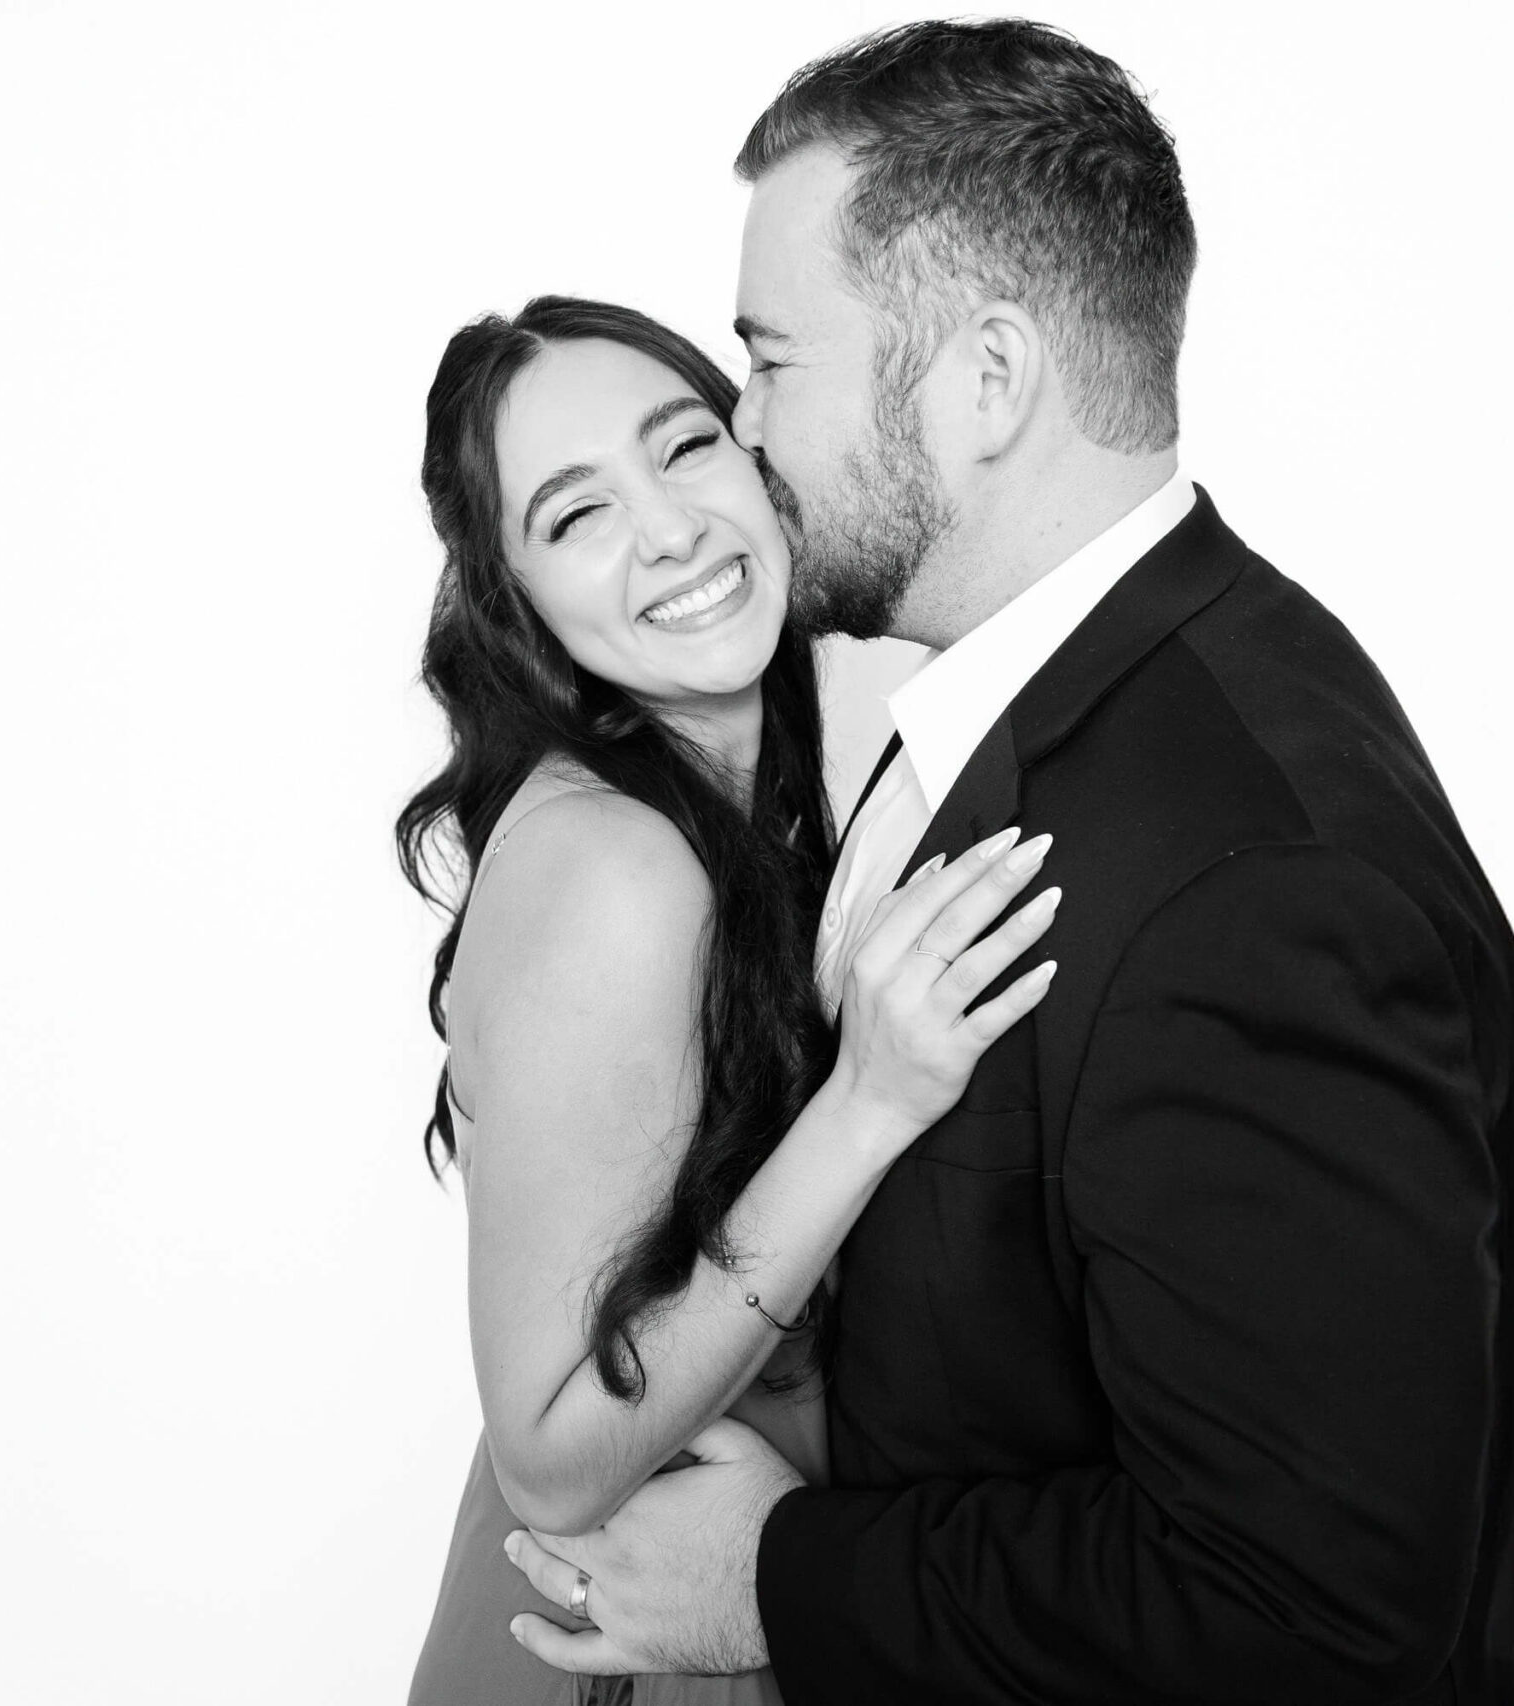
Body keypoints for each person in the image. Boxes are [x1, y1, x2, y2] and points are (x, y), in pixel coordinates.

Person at [505, 22, 1514, 1704]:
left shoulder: (1249, 882)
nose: (744, 433)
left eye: (772, 363)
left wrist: (780, 1581)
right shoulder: (1047, 695)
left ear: (983, 383)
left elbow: (1308, 1612)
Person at [396, 295, 1065, 1705]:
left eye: (684, 447)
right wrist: (869, 1104)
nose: (672, 529)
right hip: (624, 1643)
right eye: (576, 516)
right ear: (520, 607)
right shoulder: (618, 869)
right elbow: (549, 1449)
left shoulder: (746, 800)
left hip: (731, 1601)